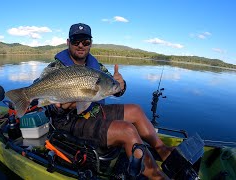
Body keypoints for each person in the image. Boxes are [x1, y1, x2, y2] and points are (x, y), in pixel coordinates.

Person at [44, 23, 173, 179]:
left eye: (85, 42)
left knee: (136, 110)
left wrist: (121, 85)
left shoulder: (96, 68)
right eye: (75, 41)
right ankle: (158, 176)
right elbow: (47, 106)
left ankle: (162, 150)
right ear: (68, 42)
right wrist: (61, 108)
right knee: (127, 130)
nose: (80, 45)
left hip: (92, 111)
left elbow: (114, 88)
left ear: (90, 43)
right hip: (68, 121)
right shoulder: (56, 67)